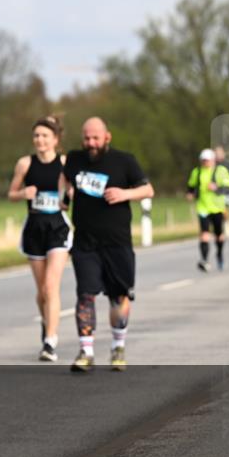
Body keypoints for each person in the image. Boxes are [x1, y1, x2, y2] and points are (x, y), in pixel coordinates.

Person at [63, 117, 154, 373]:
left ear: (107, 137)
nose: (90, 143)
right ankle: (86, 351)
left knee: (119, 297)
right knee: (85, 294)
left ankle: (117, 346)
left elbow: (148, 190)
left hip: (117, 242)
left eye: (95, 138)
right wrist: (65, 197)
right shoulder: (75, 158)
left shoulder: (124, 161)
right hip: (85, 241)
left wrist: (125, 194)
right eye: (86, 138)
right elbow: (65, 178)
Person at [7, 116, 71, 362]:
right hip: (34, 227)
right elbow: (11, 194)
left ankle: (50, 342)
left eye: (45, 135)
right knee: (41, 291)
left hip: (57, 227)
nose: (40, 140)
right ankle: (47, 324)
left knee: (50, 286)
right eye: (36, 136)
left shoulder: (65, 164)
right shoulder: (25, 164)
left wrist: (68, 197)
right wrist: (23, 192)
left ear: (55, 139)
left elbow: (71, 194)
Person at [187, 148, 229, 272]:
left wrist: (216, 187)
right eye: (203, 160)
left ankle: (219, 253)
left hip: (218, 208)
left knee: (219, 235)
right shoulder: (196, 172)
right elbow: (191, 186)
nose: (205, 163)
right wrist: (190, 194)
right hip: (203, 208)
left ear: (213, 160)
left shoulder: (220, 171)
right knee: (204, 235)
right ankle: (205, 260)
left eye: (207, 160)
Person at [213, 145, 229, 238]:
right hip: (213, 193)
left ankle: (226, 224)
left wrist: (222, 185)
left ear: (224, 153)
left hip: (225, 192)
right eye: (216, 153)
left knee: (224, 210)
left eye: (219, 153)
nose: (218, 155)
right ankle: (218, 227)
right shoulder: (212, 165)